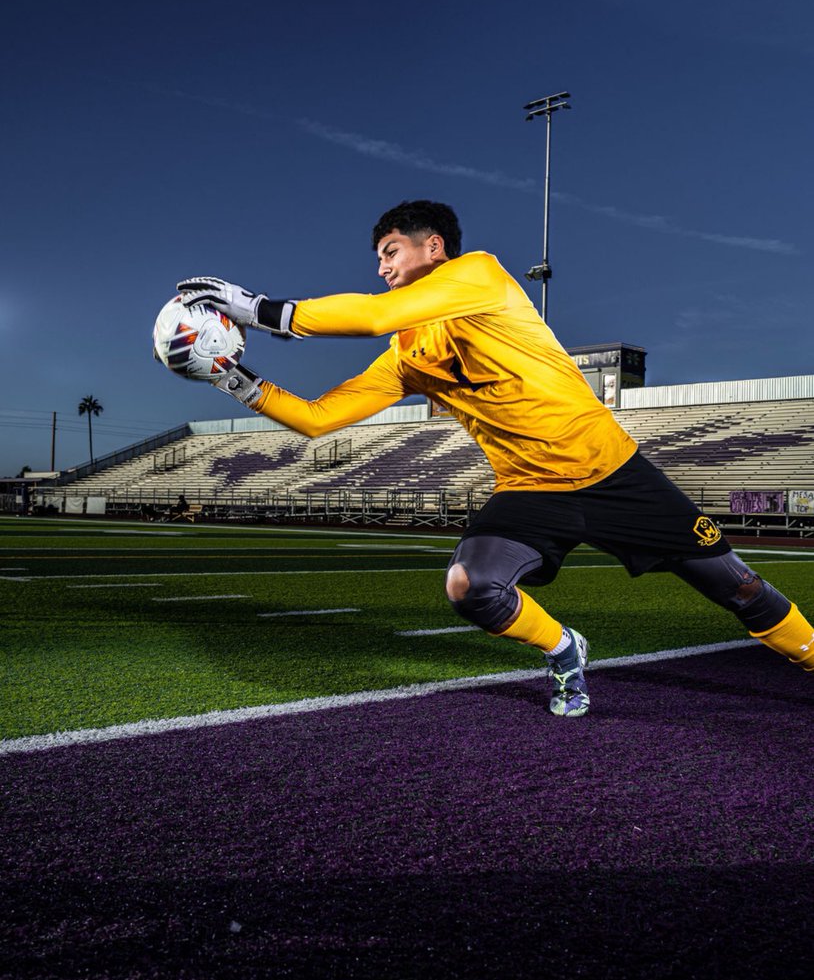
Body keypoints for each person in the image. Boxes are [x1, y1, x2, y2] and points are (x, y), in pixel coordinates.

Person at [176, 200, 814, 716]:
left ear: (433, 248)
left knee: (741, 589)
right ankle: (564, 650)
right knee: (471, 586)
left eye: (390, 252)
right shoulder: (405, 354)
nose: (382, 267)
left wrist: (255, 309)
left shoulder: (479, 274)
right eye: (378, 258)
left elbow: (372, 316)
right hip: (529, 491)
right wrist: (232, 378)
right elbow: (319, 418)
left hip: (613, 473)